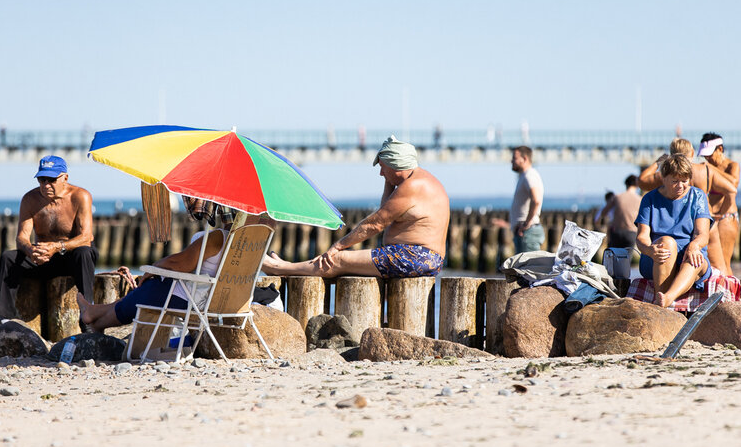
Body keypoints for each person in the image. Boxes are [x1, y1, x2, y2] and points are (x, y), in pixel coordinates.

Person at [262, 135, 450, 278]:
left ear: (396, 165)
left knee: (337, 259)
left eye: (383, 167)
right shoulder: (416, 181)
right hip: (421, 258)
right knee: (345, 267)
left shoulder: (412, 186)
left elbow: (374, 224)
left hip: (416, 257)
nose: (381, 173)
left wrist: (338, 246)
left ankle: (279, 268)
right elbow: (385, 210)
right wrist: (390, 181)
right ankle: (289, 266)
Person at [77, 198, 230, 333]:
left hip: (193, 298)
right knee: (145, 292)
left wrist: (155, 267)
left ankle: (95, 318)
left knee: (147, 292)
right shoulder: (248, 242)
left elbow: (181, 263)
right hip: (216, 298)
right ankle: (94, 315)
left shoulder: (217, 238)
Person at [0, 156, 97, 320]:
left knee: (84, 252)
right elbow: (21, 238)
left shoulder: (80, 196)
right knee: (8, 258)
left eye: (52, 180)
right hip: (43, 259)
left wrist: (56, 247)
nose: (46, 185)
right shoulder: (30, 199)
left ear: (65, 178)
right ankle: (5, 319)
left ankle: (89, 316)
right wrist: (31, 250)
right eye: (42, 180)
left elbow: (86, 237)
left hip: (71, 257)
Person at [638, 138, 736, 275]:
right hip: (706, 220)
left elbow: (642, 181)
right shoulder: (705, 170)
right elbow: (732, 189)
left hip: (682, 225)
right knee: (722, 266)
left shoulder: (668, 175)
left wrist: (658, 162)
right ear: (692, 152)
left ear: (670, 154)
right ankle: (726, 294)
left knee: (678, 262)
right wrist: (721, 214)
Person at [635, 154, 712, 308]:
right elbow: (641, 237)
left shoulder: (697, 196)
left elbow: (702, 234)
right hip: (657, 257)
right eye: (675, 181)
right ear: (663, 178)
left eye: (684, 181)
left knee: (695, 255)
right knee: (667, 243)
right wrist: (650, 250)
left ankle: (667, 299)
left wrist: (694, 246)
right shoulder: (649, 199)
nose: (680, 186)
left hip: (689, 258)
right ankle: (662, 295)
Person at [698, 132, 739, 272]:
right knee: (713, 262)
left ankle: (731, 293)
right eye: (705, 155)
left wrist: (711, 170)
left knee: (724, 262)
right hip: (711, 217)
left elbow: (733, 184)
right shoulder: (708, 167)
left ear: (720, 149)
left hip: (726, 217)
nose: (707, 158)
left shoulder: (732, 166)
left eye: (709, 154)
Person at [493, 146, 545, 252]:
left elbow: (536, 200)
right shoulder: (525, 176)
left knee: (527, 267)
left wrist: (526, 223)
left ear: (525, 159)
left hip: (528, 233)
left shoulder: (529, 175)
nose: (511, 161)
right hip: (525, 232)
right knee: (523, 267)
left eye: (514, 158)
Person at [599, 175, 642, 249]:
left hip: (617, 231)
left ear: (626, 184)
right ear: (637, 185)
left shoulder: (617, 197)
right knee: (626, 258)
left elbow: (603, 213)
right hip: (631, 232)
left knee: (614, 257)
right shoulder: (640, 199)